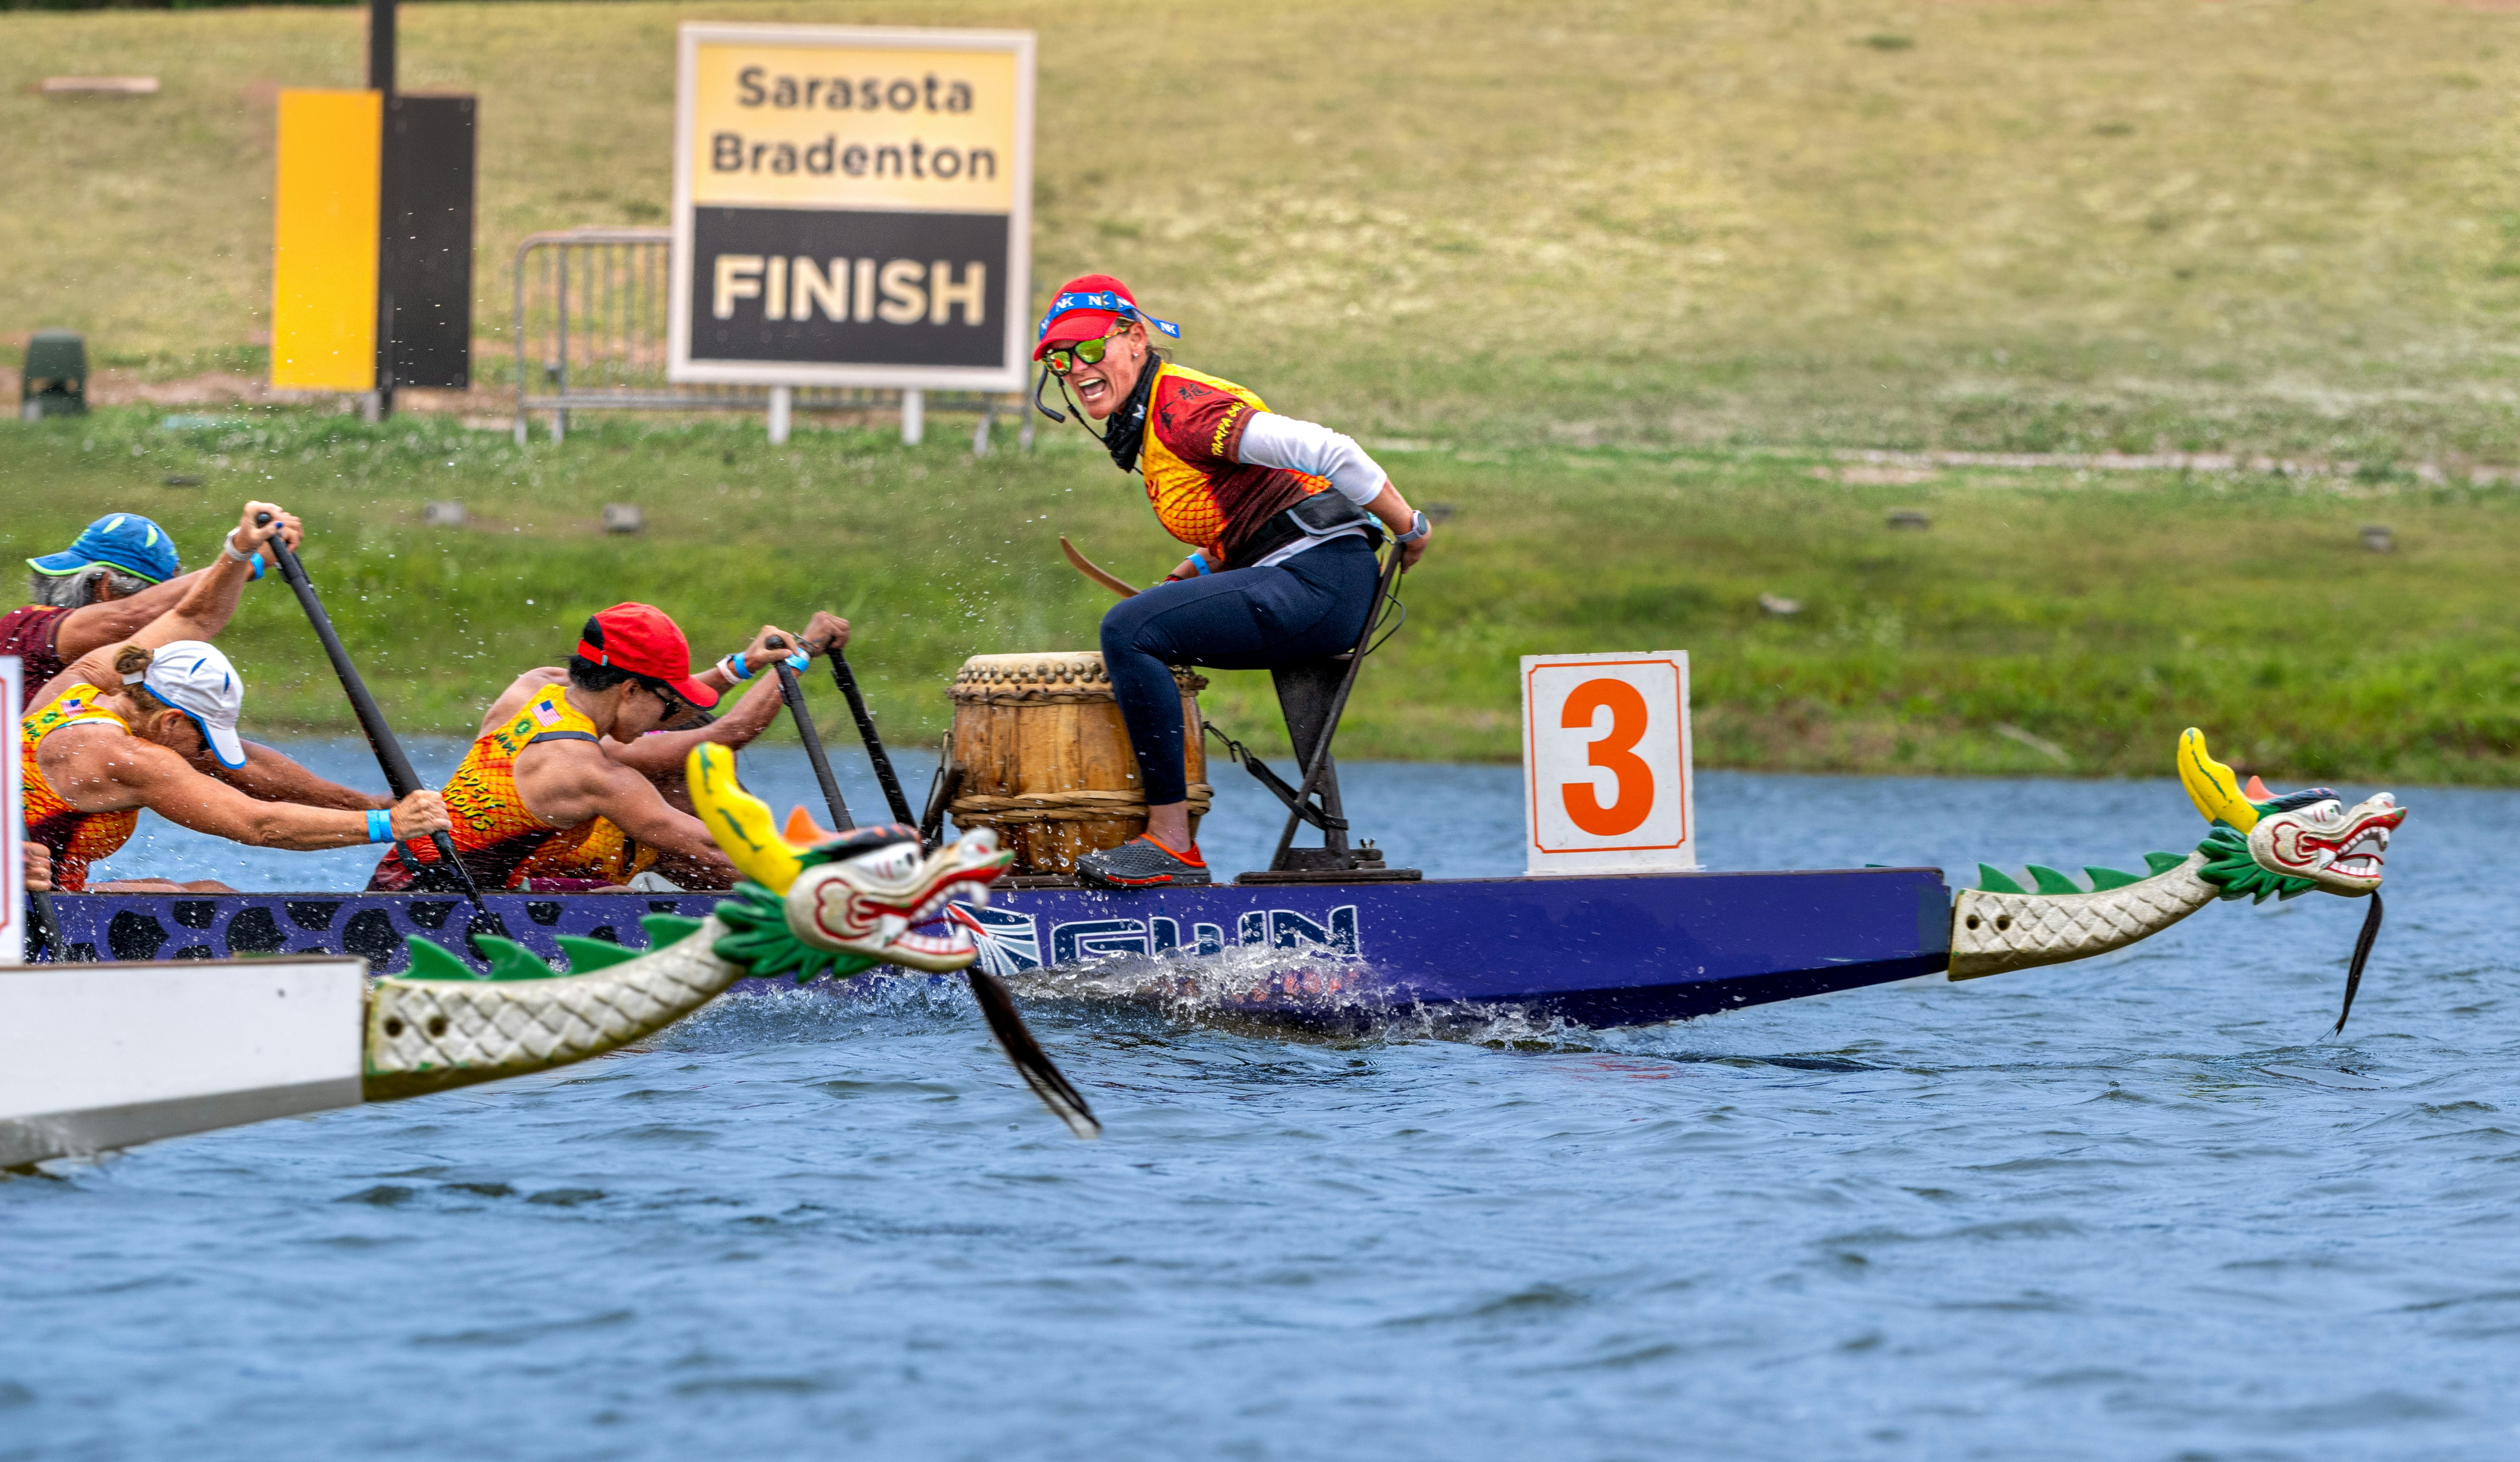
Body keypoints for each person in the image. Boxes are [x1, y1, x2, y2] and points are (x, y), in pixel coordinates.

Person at [1030, 275, 1434, 888]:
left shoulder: (1184, 409)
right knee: (1141, 626)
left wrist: (1409, 526)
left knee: (1128, 630)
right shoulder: (1153, 416)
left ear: (1135, 339)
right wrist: (1191, 573)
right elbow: (1247, 521)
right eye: (1060, 360)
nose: (1074, 369)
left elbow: (1330, 450)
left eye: (1089, 350)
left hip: (1321, 579)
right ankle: (1169, 842)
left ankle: (1170, 845)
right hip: (1298, 571)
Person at [23, 502, 449, 894]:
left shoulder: (89, 681)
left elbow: (193, 617)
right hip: (21, 909)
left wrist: (240, 549)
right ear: (171, 722)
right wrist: (389, 824)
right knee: (197, 901)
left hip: (34, 886)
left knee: (205, 893)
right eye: (206, 739)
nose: (210, 754)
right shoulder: (130, 757)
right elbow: (259, 825)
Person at [368, 603, 836, 893]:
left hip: (397, 880)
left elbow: (665, 708)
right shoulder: (590, 773)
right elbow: (714, 839)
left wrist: (741, 665)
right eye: (666, 703)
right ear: (629, 690)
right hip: (433, 908)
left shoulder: (534, 688)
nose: (667, 716)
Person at [3, 512, 268, 694]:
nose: (169, 618)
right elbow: (136, 613)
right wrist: (245, 559)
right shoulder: (24, 629)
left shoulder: (141, 674)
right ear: (105, 588)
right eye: (167, 601)